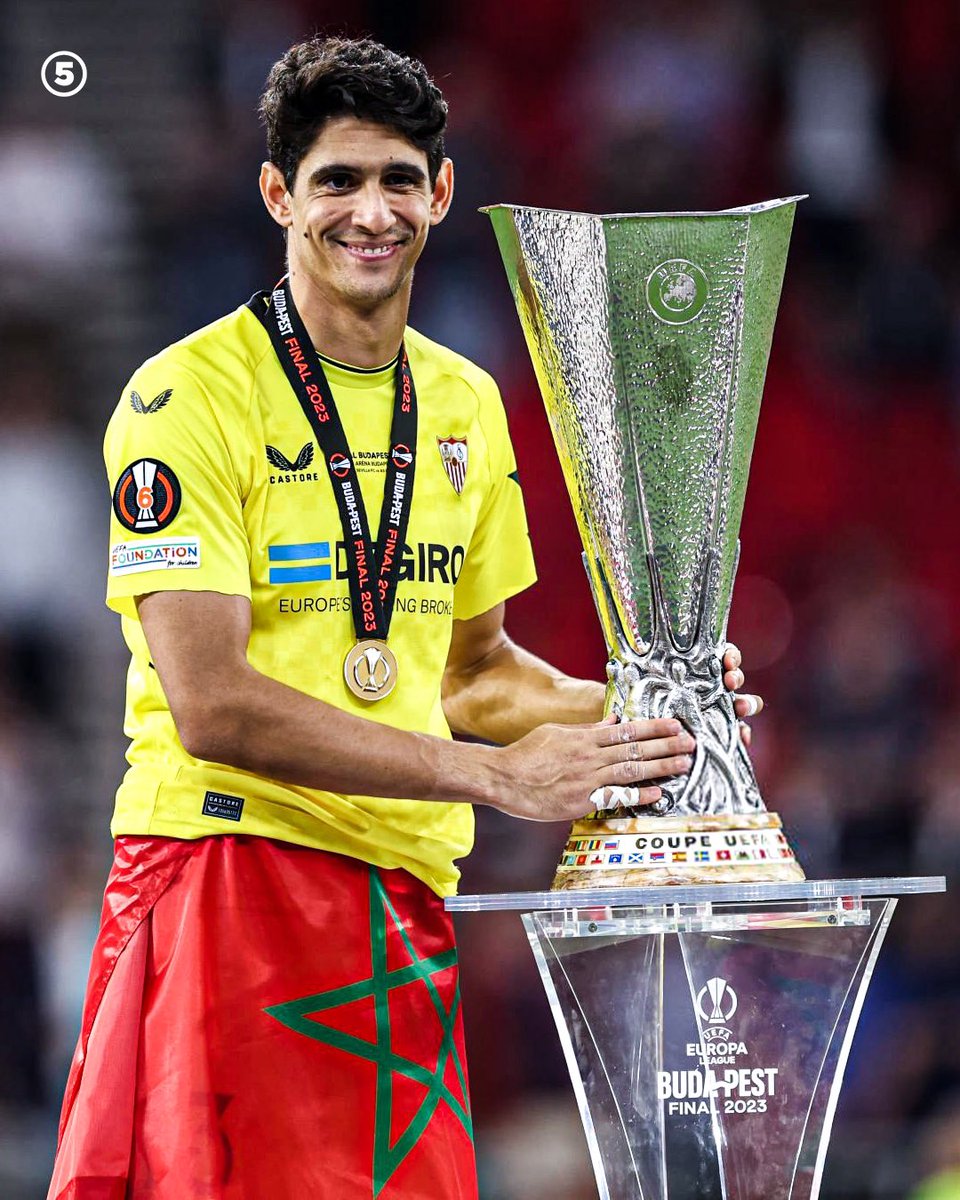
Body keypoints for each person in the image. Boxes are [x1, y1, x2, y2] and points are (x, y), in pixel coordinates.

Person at [48, 35, 759, 1200]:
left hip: (399, 905)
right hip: (231, 875)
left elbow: (475, 672)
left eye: (396, 179)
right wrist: (494, 779)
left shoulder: (468, 400)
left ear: (440, 193)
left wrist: (647, 706)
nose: (369, 211)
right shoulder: (187, 398)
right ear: (280, 195)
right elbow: (211, 703)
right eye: (336, 180)